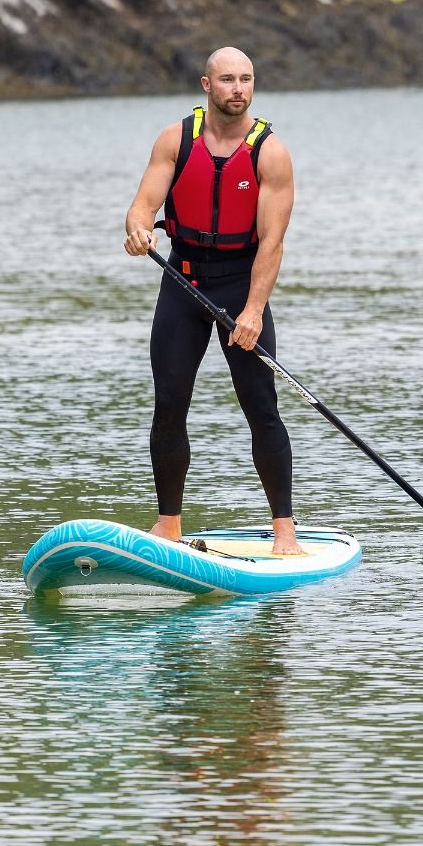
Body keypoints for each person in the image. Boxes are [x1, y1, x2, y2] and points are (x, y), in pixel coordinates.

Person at [123, 46, 302, 555]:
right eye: (227, 79)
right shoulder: (176, 139)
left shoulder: (270, 152)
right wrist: (137, 231)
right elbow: (142, 207)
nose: (238, 89)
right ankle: (169, 524)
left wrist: (251, 311)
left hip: (239, 285)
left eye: (246, 79)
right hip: (181, 282)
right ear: (207, 85)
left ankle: (284, 530)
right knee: (169, 404)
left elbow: (273, 243)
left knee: (260, 408)